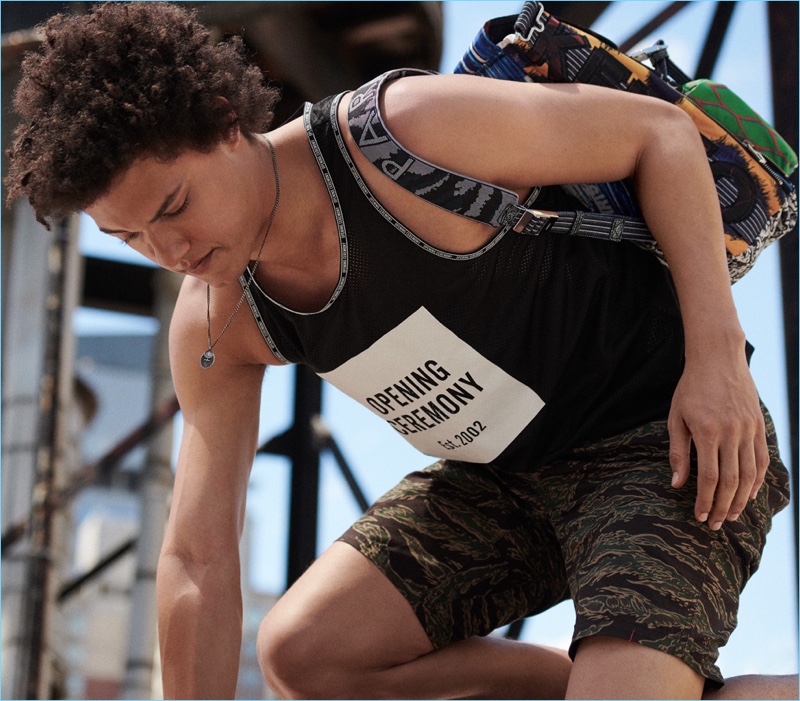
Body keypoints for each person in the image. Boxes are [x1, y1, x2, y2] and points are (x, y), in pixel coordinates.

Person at [6, 3, 796, 699]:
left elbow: (658, 135)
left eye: (173, 205)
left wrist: (717, 361)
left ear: (222, 119)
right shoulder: (217, 319)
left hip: (663, 444)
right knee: (303, 654)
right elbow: (197, 557)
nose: (168, 248)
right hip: (501, 483)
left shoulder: (403, 134)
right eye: (130, 236)